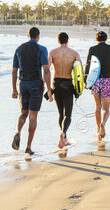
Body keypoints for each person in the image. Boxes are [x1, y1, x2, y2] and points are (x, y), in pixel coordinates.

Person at [12, 27, 53, 155]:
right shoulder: (42, 49)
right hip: (36, 84)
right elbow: (46, 70)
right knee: (33, 116)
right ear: (38, 36)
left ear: (28, 35)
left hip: (22, 84)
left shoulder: (19, 49)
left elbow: (14, 71)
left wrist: (14, 90)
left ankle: (18, 132)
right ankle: (28, 147)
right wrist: (49, 89)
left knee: (23, 113)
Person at [48, 32, 82, 149]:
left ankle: (64, 137)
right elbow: (80, 73)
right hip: (68, 84)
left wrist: (48, 89)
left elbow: (46, 70)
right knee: (68, 114)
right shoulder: (74, 53)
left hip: (56, 84)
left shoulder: (52, 52)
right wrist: (80, 89)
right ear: (68, 40)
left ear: (58, 41)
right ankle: (63, 133)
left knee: (60, 113)